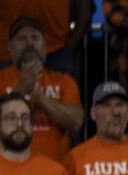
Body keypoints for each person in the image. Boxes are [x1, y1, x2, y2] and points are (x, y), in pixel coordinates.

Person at [0, 17, 83, 159]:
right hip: (8, 173)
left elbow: (77, 121)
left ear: (45, 45)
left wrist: (40, 98)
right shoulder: (2, 79)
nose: (29, 43)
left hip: (54, 173)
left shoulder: (64, 81)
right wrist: (20, 90)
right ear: (10, 47)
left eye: (35, 37)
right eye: (22, 38)